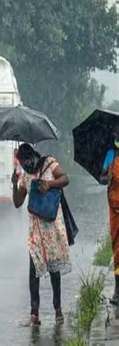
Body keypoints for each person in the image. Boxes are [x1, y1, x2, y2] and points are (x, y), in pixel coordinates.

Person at [11, 143, 71, 326]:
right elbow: (17, 203)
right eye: (23, 163)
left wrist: (49, 184)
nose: (26, 166)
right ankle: (34, 314)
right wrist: (15, 184)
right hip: (35, 230)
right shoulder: (26, 177)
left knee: (54, 270)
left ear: (34, 157)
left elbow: (65, 178)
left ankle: (57, 309)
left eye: (27, 162)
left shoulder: (49, 163)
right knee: (33, 270)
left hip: (52, 227)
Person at [99, 123, 119, 304]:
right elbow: (101, 177)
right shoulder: (110, 155)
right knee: (117, 249)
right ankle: (117, 291)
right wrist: (108, 179)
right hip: (114, 209)